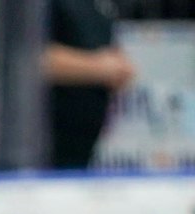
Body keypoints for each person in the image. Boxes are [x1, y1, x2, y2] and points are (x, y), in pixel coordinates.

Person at [42, 0, 135, 169]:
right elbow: (24, 56)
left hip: (83, 145)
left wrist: (118, 67)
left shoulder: (98, 6)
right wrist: (99, 68)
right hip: (45, 143)